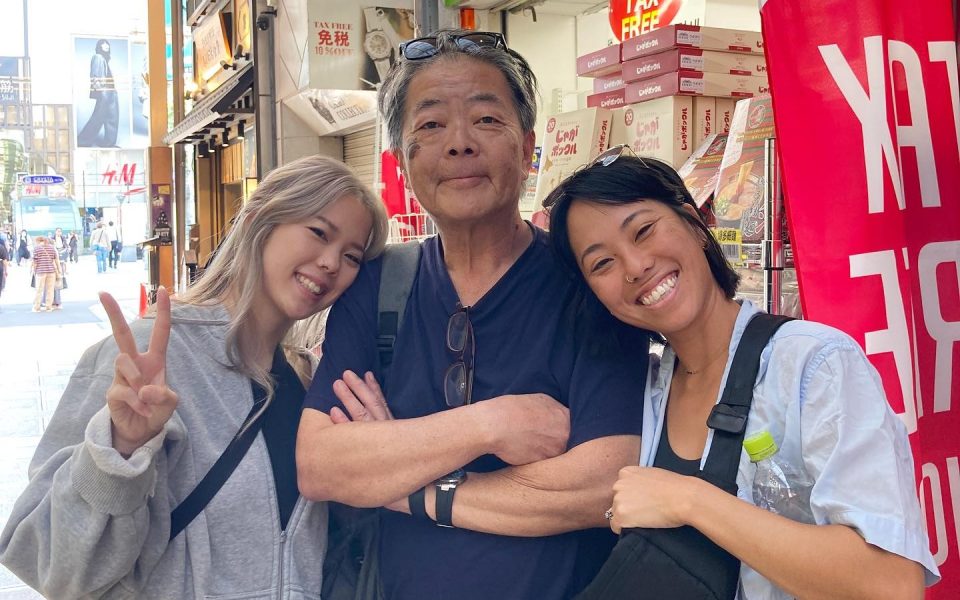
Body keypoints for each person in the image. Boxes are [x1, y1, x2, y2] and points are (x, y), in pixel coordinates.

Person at [296, 30, 650, 600]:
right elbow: (321, 465)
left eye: (486, 119)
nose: (459, 143)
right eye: (431, 124)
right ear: (401, 163)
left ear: (528, 148)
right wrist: (491, 424)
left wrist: (397, 479)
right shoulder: (376, 288)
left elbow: (603, 484)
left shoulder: (587, 286)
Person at [544, 150, 940, 599]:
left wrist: (691, 501)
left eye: (644, 230)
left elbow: (893, 584)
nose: (635, 267)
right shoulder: (642, 392)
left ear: (695, 223)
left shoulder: (813, 365)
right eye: (602, 263)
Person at [0, 156, 390, 598]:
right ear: (259, 221)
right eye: (319, 232)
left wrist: (371, 461)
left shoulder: (310, 384)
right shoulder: (152, 357)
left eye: (352, 256)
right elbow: (51, 562)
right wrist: (120, 449)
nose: (331, 262)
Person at [78, 39, 120, 148]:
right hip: (105, 92)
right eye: (103, 45)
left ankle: (109, 143)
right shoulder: (98, 57)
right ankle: (83, 140)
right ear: (99, 47)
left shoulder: (104, 59)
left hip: (111, 92)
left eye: (107, 45)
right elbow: (95, 75)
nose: (106, 46)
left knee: (112, 117)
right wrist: (100, 90)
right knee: (98, 117)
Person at [31, 236, 61, 312]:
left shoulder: (37, 249)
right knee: (50, 290)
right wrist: (59, 270)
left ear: (38, 241)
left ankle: (37, 307)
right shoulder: (52, 248)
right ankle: (49, 307)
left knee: (39, 290)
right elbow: (56, 260)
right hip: (51, 272)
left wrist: (34, 271)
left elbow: (35, 262)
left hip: (40, 272)